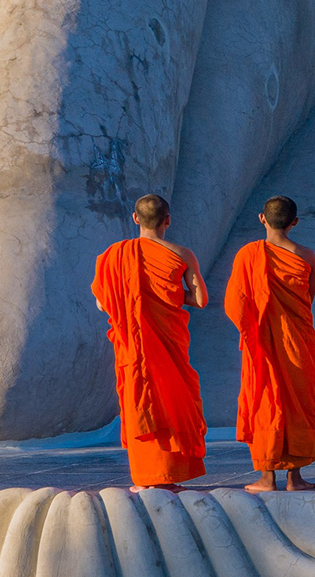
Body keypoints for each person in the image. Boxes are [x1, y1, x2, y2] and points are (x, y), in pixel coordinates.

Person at [91, 193, 207, 489]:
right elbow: (201, 300)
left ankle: (146, 477)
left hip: (134, 346)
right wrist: (169, 294)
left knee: (140, 401)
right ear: (167, 220)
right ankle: (172, 475)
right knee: (173, 398)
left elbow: (103, 303)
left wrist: (136, 297)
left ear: (135, 218)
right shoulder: (182, 254)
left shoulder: (113, 256)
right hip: (168, 345)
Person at [224, 195, 315, 492]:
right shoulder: (307, 256)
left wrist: (251, 330)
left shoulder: (247, 254)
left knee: (266, 400)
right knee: (298, 400)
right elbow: (308, 299)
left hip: (262, 342)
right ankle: (295, 478)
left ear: (261, 218)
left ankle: (267, 478)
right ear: (294, 223)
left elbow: (234, 303)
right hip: (297, 340)